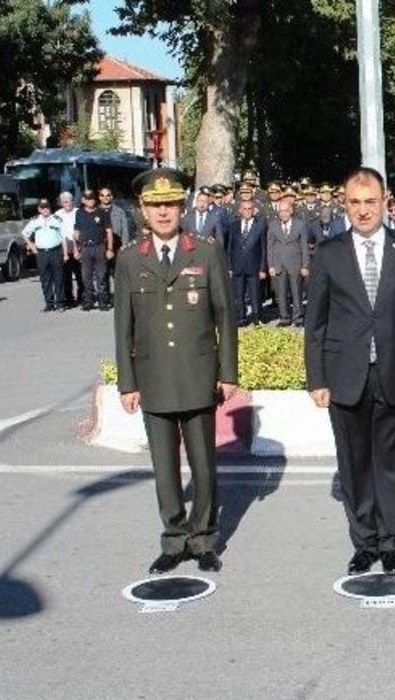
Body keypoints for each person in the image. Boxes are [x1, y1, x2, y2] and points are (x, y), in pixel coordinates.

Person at [304, 167, 395, 576]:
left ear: (385, 202)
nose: (363, 211)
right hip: (345, 376)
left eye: (370, 201)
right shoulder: (329, 253)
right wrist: (317, 378)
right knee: (355, 462)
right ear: (344, 205)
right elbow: (316, 323)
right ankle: (364, 542)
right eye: (354, 202)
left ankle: (392, 541)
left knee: (393, 463)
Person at [113, 168, 238, 574]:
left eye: (170, 204)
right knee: (164, 469)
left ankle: (203, 538)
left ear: (181, 206)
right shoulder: (131, 259)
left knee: (203, 465)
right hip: (153, 379)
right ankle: (173, 538)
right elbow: (123, 326)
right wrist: (127, 382)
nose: (163, 212)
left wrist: (228, 372)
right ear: (142, 210)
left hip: (198, 375)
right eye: (155, 205)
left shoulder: (204, 251)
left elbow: (224, 315)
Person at [266, 194, 310, 327]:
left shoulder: (300, 224)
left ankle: (298, 317)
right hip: (278, 263)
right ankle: (284, 317)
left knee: (297, 292)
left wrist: (305, 265)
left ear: (291, 211)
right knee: (281, 292)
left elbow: (304, 245)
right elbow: (269, 246)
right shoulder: (273, 225)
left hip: (295, 263)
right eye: (280, 211)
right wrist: (271, 265)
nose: (283, 214)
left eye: (285, 211)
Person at [226, 198, 267, 325]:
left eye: (250, 209)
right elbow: (230, 247)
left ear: (254, 210)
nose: (247, 211)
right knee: (239, 296)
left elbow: (264, 249)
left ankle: (257, 317)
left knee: (255, 295)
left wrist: (262, 269)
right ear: (239, 210)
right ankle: (241, 317)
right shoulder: (233, 226)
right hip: (237, 266)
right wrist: (229, 267)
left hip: (254, 266)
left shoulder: (260, 226)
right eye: (245, 209)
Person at [72, 189, 114, 311]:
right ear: (83, 200)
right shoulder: (79, 213)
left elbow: (109, 231)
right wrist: (76, 250)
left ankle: (103, 302)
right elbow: (76, 232)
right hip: (85, 248)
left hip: (99, 247)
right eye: (87, 198)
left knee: (101, 276)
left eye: (92, 198)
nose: (90, 201)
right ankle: (88, 301)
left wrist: (110, 249)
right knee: (86, 277)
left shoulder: (101, 212)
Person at [22, 199, 66, 311]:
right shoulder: (35, 221)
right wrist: (32, 246)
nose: (45, 209)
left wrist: (65, 254)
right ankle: (49, 303)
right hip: (41, 253)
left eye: (47, 207)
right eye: (42, 207)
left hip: (55, 252)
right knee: (45, 280)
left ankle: (60, 303)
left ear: (50, 208)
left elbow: (64, 238)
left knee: (58, 278)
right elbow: (24, 234)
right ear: (39, 209)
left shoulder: (57, 220)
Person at [56, 191, 81, 308]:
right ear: (61, 203)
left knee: (81, 276)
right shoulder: (57, 215)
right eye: (65, 201)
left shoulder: (78, 212)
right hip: (64, 250)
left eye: (70, 200)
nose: (68, 203)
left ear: (73, 201)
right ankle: (69, 300)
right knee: (66, 277)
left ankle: (82, 297)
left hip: (78, 249)